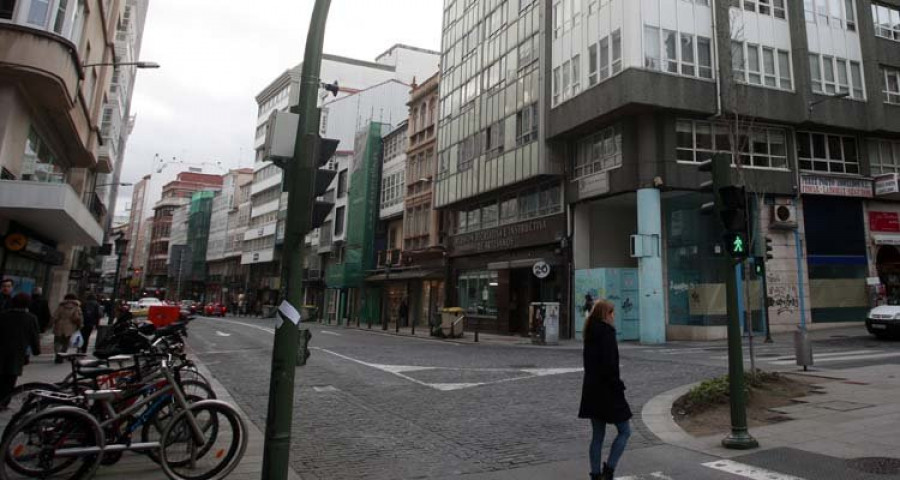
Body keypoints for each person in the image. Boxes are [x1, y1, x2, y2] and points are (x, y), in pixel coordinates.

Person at [579, 299, 632, 480]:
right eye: (612, 312)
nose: (613, 316)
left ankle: (595, 474)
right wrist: (618, 386)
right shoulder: (607, 333)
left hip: (592, 391)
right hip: (609, 391)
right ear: (605, 314)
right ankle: (609, 470)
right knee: (625, 431)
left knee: (597, 436)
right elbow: (610, 365)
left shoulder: (589, 333)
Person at [0, 293, 41, 407]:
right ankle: (4, 401)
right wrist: (36, 350)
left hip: (2, 349)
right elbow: (34, 336)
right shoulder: (31, 318)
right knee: (10, 378)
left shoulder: (3, 315)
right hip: (18, 352)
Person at [51, 293, 83, 363]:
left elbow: (55, 316)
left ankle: (57, 354)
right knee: (66, 343)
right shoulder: (76, 307)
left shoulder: (61, 306)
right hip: (70, 327)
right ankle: (62, 355)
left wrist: (52, 323)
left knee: (57, 342)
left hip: (59, 326)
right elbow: (78, 318)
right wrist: (79, 325)